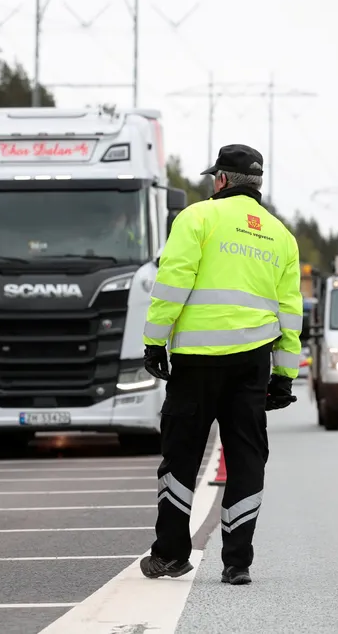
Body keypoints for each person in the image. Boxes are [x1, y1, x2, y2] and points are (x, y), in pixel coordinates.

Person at [138, 143, 303, 586]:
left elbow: (173, 282)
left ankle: (171, 555)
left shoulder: (196, 218)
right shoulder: (281, 236)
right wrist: (285, 374)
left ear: (223, 180)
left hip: (196, 362)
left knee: (181, 455)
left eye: (215, 177)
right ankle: (237, 563)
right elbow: (291, 313)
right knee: (247, 458)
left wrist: (155, 342)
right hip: (252, 364)